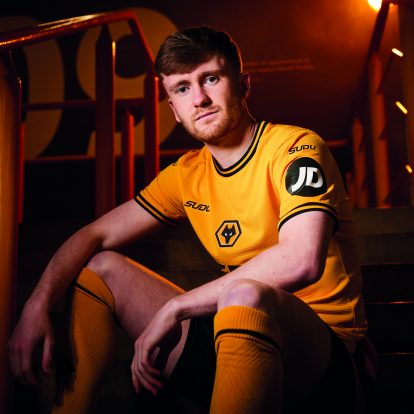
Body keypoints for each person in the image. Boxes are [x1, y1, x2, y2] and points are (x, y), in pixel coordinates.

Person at [8, 26, 377, 413]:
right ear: (173, 108)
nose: (199, 98)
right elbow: (94, 234)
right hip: (235, 340)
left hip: (325, 366)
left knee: (243, 295)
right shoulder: (186, 174)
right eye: (182, 88)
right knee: (99, 269)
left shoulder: (296, 148)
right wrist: (36, 305)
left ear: (243, 85)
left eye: (211, 78)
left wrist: (177, 307)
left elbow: (302, 258)